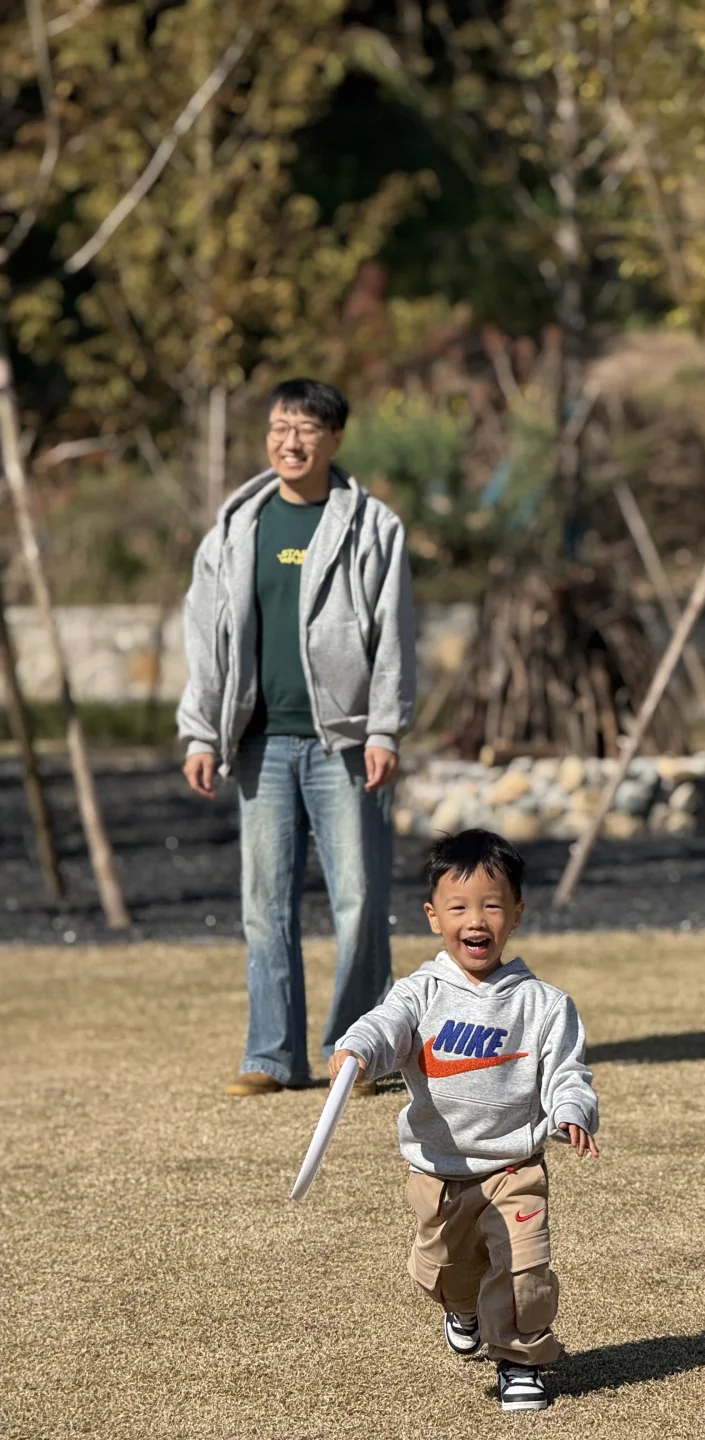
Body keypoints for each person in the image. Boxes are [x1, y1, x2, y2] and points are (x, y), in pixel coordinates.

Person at [177, 377, 415, 1097]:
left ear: (334, 438)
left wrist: (385, 728)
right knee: (265, 905)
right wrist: (200, 734)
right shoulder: (234, 529)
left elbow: (395, 636)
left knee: (361, 900)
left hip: (345, 744)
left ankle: (360, 1054)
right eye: (281, 426)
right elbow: (205, 640)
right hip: (259, 745)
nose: (291, 439)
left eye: (307, 428)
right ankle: (271, 1056)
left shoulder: (374, 527)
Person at [329, 829, 599, 1413]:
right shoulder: (421, 992)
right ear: (433, 917)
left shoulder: (544, 1004)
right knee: (443, 1270)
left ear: (517, 914)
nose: (476, 920)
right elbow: (385, 1025)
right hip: (438, 1172)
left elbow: (568, 1072)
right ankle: (463, 1306)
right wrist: (356, 1052)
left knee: (524, 1265)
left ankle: (519, 1361)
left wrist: (572, 1109)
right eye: (459, 907)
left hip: (514, 1165)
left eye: (492, 904)